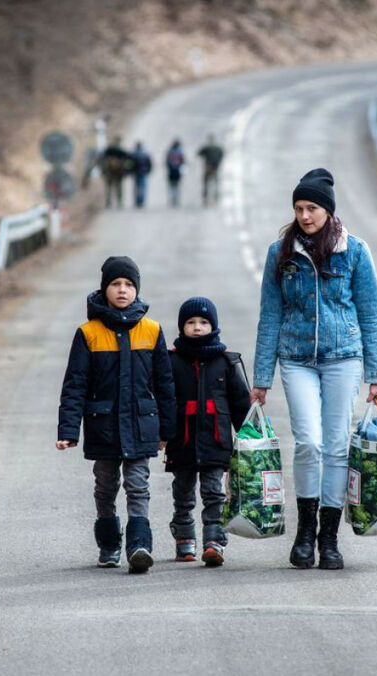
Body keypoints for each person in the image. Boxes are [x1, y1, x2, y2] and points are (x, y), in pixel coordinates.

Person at [250, 168, 377, 571]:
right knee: (308, 442)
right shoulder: (281, 253)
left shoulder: (355, 251)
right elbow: (269, 316)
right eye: (298, 208)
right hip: (296, 359)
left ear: (327, 210)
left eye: (311, 208)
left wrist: (376, 375)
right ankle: (304, 533)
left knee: (336, 446)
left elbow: (370, 313)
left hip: (344, 357)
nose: (305, 215)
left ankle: (329, 539)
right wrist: (261, 379)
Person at [57, 256, 176, 573]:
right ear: (104, 288)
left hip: (140, 425)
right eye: (115, 284)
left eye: (128, 284)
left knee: (138, 485)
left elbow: (164, 384)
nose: (122, 290)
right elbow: (75, 385)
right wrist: (69, 430)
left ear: (137, 289)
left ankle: (139, 546)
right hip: (103, 426)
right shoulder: (89, 333)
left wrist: (167, 429)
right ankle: (109, 545)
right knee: (106, 486)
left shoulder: (151, 331)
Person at [164, 297, 250, 567]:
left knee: (214, 492)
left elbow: (240, 404)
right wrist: (161, 433)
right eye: (191, 322)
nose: (197, 327)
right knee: (183, 492)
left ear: (213, 326)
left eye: (203, 322)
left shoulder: (226, 361)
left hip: (216, 440)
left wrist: (249, 437)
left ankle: (214, 541)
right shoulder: (171, 361)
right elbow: (163, 401)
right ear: (182, 327)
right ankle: (184, 539)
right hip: (182, 441)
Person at [100, 136, 132, 208]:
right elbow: (128, 161)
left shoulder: (108, 150)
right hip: (119, 173)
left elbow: (102, 159)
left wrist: (103, 171)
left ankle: (108, 202)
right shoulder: (121, 150)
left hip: (109, 173)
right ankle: (119, 202)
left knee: (109, 188)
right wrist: (127, 171)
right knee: (119, 187)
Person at [197, 135, 224, 206]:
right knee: (215, 182)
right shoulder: (218, 148)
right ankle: (216, 196)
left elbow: (199, 153)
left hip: (208, 167)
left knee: (206, 182)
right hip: (215, 167)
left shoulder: (206, 148)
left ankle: (205, 198)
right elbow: (222, 154)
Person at [130, 141, 153, 208]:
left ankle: (137, 201)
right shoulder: (145, 154)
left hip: (136, 173)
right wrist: (148, 171)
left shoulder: (133, 154)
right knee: (143, 188)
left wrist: (130, 171)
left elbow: (129, 164)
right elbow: (149, 164)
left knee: (136, 188)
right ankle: (142, 201)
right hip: (143, 173)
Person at [165, 139, 186, 207]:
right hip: (177, 171)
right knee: (176, 186)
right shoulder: (180, 152)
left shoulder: (170, 152)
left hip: (171, 171)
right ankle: (175, 199)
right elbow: (183, 161)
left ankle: (172, 199)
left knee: (171, 186)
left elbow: (166, 162)